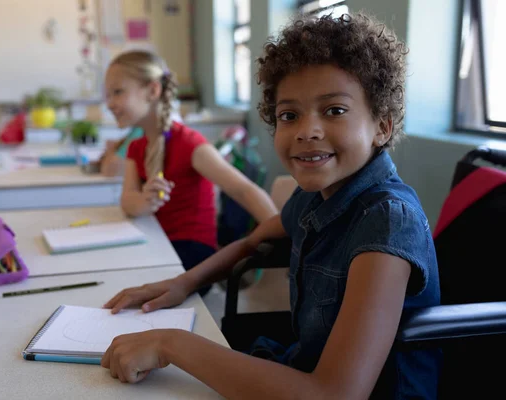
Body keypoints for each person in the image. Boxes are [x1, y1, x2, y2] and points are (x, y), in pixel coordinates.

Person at [100, 13, 440, 400]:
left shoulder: (386, 223)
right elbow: (251, 243)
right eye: (288, 115)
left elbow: (335, 394)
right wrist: (182, 283)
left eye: (334, 110)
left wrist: (170, 345)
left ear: (383, 125)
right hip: (298, 366)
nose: (306, 130)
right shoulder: (315, 196)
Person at [104, 50, 278, 293]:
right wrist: (145, 201)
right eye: (107, 94)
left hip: (193, 258)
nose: (109, 103)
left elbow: (244, 190)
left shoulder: (189, 143)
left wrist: (282, 237)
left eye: (118, 92)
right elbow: (128, 202)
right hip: (160, 245)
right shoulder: (136, 147)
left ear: (153, 91)